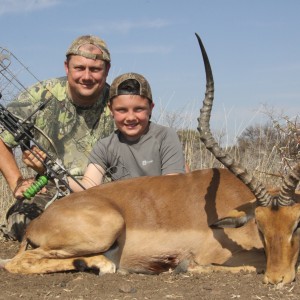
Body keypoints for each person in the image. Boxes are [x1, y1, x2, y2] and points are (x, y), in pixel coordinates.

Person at [0, 35, 114, 241]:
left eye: (95, 69)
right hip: (52, 187)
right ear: (66, 67)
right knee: (22, 222)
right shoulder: (41, 94)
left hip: (107, 190)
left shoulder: (118, 102)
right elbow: (2, 139)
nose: (86, 76)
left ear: (106, 70)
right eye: (79, 68)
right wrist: (17, 182)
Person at [68, 72, 186, 191]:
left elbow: (172, 186)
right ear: (111, 110)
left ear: (151, 108)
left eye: (138, 109)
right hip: (123, 208)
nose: (130, 118)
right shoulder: (104, 146)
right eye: (122, 110)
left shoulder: (165, 136)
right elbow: (88, 186)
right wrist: (59, 179)